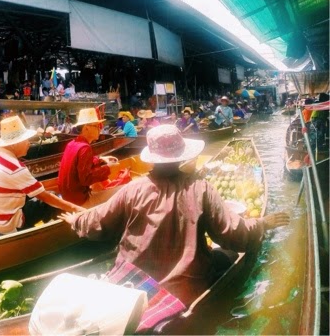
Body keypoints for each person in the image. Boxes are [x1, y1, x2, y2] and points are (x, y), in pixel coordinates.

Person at [60, 125, 290, 306]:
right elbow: (231, 233)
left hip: (133, 282)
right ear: (182, 157)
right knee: (228, 254)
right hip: (186, 286)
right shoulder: (200, 187)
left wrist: (76, 220)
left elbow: (98, 221)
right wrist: (261, 224)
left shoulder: (133, 189)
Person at [0, 116, 83, 234]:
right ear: (14, 144)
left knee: (41, 197)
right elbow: (45, 197)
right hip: (7, 225)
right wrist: (77, 208)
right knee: (51, 199)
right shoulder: (16, 169)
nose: (29, 144)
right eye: (25, 140)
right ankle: (59, 233)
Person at [58, 108, 120, 207]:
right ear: (86, 128)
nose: (100, 129)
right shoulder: (85, 148)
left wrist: (101, 159)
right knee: (122, 190)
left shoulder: (72, 144)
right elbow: (86, 179)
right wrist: (108, 168)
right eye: (97, 126)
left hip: (68, 199)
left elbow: (82, 164)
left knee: (97, 185)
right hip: (80, 202)